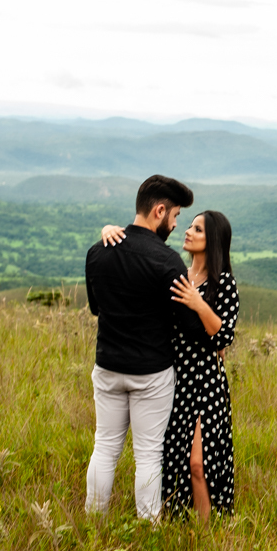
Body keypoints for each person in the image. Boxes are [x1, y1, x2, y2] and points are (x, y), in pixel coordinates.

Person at [102, 210, 238, 522]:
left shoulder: (224, 283)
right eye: (189, 226)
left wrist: (198, 303)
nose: (187, 231)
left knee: (198, 463)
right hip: (172, 378)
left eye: (198, 229)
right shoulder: (176, 274)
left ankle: (207, 535)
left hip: (206, 383)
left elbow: (224, 337)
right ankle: (178, 520)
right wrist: (109, 230)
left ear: (213, 240)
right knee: (172, 456)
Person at [84, 174, 194, 521]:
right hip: (151, 372)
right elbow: (187, 325)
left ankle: (94, 521)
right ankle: (149, 527)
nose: (175, 225)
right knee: (148, 454)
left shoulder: (97, 252)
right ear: (159, 210)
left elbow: (96, 308)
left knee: (105, 447)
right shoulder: (168, 261)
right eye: (175, 216)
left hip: (108, 366)